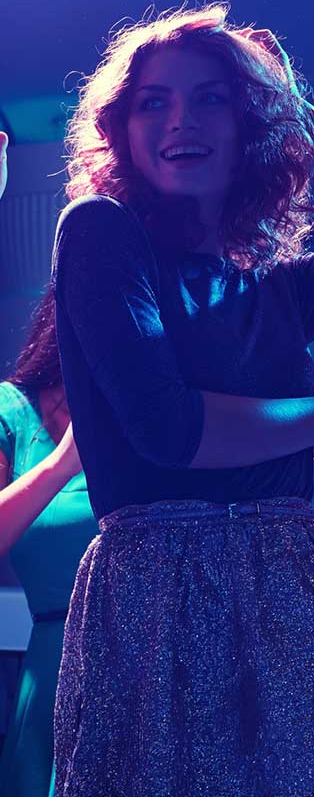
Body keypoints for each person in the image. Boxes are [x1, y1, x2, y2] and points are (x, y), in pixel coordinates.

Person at [50, 4, 314, 797]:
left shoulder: (273, 282)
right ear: (123, 128)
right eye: (155, 101)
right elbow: (168, 429)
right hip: (164, 594)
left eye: (213, 97)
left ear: (249, 124)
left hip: (298, 594)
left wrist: (296, 109)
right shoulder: (101, 231)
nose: (183, 119)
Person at [0, 289, 94, 797]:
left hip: (163, 667)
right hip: (56, 671)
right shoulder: (10, 413)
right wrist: (62, 464)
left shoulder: (162, 408)